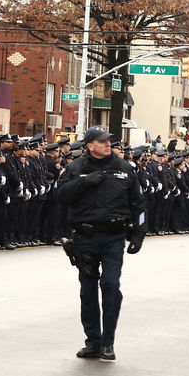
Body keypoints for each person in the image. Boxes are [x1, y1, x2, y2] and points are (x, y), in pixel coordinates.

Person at [54, 125, 146, 360]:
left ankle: (108, 342)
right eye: (102, 141)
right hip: (85, 237)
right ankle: (93, 342)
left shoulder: (124, 168)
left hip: (113, 237)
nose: (108, 144)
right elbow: (60, 196)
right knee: (88, 290)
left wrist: (139, 233)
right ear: (89, 146)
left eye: (109, 141)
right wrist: (84, 182)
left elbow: (139, 204)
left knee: (111, 285)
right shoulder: (76, 168)